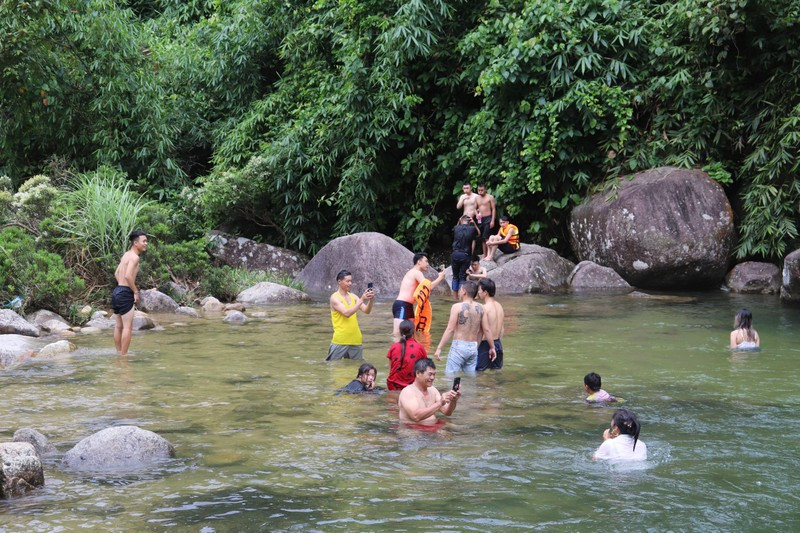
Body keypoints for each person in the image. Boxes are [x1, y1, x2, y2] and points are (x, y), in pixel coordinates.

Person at [433, 280, 495, 374]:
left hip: (459, 346)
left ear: (464, 291)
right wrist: (492, 347)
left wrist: (439, 348)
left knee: (451, 377)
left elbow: (450, 329)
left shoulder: (457, 307)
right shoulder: (481, 308)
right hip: (473, 347)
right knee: (470, 380)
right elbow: (485, 329)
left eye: (460, 290)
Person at [393, 252, 447, 339]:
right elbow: (428, 288)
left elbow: (425, 289)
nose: (428, 264)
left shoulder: (415, 273)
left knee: (410, 335)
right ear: (419, 262)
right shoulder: (416, 272)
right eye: (426, 261)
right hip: (402, 305)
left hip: (408, 306)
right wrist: (440, 278)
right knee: (397, 333)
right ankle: (395, 351)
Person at [112, 230, 148, 356]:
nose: (145, 244)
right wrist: (135, 291)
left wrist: (121, 287)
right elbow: (128, 276)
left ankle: (118, 352)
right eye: (143, 241)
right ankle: (124, 356)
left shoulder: (126, 255)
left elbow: (117, 273)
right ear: (135, 242)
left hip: (117, 291)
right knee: (127, 327)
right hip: (125, 293)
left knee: (118, 326)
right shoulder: (135, 257)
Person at [327, 270, 374, 360]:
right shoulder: (335, 298)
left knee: (356, 368)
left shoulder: (353, 296)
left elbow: (366, 310)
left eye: (351, 281)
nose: (350, 283)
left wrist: (371, 300)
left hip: (356, 339)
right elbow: (346, 313)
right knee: (332, 366)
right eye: (347, 281)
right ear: (339, 282)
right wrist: (362, 299)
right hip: (340, 340)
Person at [398, 358, 461, 424]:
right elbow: (416, 416)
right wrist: (439, 403)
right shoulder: (408, 392)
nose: (432, 378)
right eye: (430, 374)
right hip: (413, 431)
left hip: (432, 428)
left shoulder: (433, 390)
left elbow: (447, 412)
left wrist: (453, 400)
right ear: (418, 373)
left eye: (434, 374)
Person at [386, 320, 427, 390]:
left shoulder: (394, 347)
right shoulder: (420, 348)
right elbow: (424, 372)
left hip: (393, 386)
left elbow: (391, 370)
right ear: (413, 332)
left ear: (400, 332)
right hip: (412, 388)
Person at [476, 278, 504, 371]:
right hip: (498, 343)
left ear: (485, 292)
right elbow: (502, 329)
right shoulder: (499, 306)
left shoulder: (484, 308)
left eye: (479, 289)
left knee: (479, 373)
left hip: (486, 345)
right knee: (496, 372)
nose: (478, 292)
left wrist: (475, 348)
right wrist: (496, 345)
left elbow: (484, 330)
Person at [450, 215, 480, 299]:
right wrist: (474, 224)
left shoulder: (456, 228)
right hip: (465, 255)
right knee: (462, 276)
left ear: (461, 221)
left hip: (455, 254)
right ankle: (461, 298)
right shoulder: (472, 229)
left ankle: (455, 298)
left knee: (455, 276)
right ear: (469, 222)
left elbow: (454, 230)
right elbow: (478, 234)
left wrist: (459, 221)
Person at [475, 184, 496, 258]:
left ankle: (489, 254)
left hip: (488, 218)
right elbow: (475, 208)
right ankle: (485, 254)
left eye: (482, 190)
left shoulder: (490, 197)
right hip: (480, 219)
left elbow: (493, 209)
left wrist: (492, 220)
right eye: (479, 190)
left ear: (485, 190)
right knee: (482, 238)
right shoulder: (477, 198)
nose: (480, 192)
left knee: (486, 237)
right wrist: (476, 214)